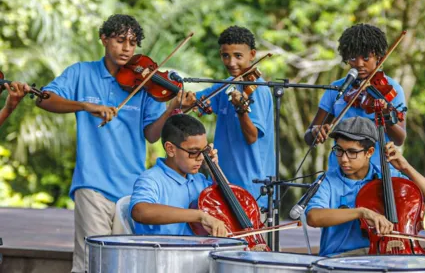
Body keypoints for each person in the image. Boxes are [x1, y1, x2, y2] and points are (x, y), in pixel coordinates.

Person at [36, 14, 195, 273]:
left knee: (124, 264)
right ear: (104, 39)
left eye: (132, 43)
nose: (127, 49)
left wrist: (172, 109)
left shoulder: (145, 83)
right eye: (120, 41)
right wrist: (84, 105)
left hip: (131, 186)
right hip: (92, 183)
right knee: (91, 263)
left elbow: (153, 135)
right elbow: (44, 98)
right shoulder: (80, 72)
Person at [306, 116, 425, 257]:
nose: (343, 158)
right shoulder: (328, 181)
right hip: (340, 259)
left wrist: (406, 167)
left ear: (369, 152)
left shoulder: (388, 177)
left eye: (352, 152)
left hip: (385, 256)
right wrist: (361, 212)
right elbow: (313, 217)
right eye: (339, 150)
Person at [304, 23, 407, 172]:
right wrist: (315, 131)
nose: (359, 64)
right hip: (340, 172)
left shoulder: (392, 90)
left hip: (379, 172)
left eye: (366, 57)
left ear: (379, 56)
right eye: (352, 58)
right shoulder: (336, 89)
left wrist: (386, 115)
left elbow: (399, 139)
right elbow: (308, 138)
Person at [195, 26, 274, 210]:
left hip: (250, 191)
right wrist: (189, 99)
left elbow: (251, 136)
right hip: (223, 186)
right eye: (225, 56)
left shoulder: (258, 90)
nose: (231, 62)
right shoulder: (227, 86)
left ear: (252, 54)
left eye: (238, 56)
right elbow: (196, 98)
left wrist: (241, 109)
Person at [130, 114, 227, 237]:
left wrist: (215, 170)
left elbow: (231, 206)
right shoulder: (151, 179)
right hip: (161, 252)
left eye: (204, 151)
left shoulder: (199, 180)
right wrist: (198, 215)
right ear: (170, 149)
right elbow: (140, 211)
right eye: (193, 152)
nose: (201, 157)